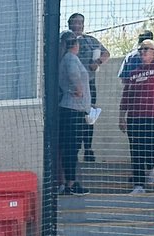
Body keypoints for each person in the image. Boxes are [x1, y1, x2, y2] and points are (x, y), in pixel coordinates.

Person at [119, 40, 154, 195]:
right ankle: (138, 185)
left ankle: (151, 166)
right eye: (140, 50)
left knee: (153, 147)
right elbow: (126, 96)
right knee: (136, 150)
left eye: (146, 49)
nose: (142, 52)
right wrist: (121, 116)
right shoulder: (134, 73)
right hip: (135, 117)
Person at [66, 13, 109, 163]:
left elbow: (106, 53)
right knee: (74, 118)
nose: (78, 25)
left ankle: (88, 149)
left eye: (80, 22)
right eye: (75, 22)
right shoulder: (66, 40)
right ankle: (73, 151)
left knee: (89, 116)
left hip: (89, 84)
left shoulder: (90, 40)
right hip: (72, 86)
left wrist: (97, 62)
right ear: (69, 24)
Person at [59, 32, 91, 196]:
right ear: (76, 45)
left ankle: (68, 182)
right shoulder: (71, 58)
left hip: (74, 109)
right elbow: (73, 73)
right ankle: (70, 183)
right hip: (73, 109)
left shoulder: (66, 58)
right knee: (72, 147)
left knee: (70, 147)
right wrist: (78, 89)